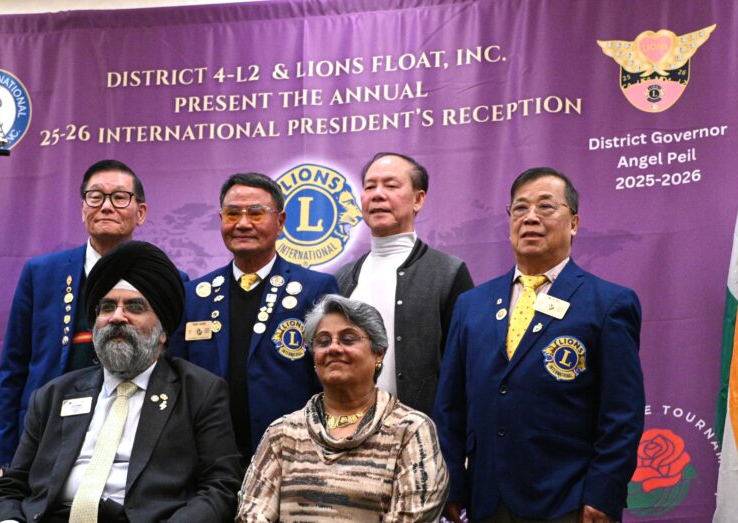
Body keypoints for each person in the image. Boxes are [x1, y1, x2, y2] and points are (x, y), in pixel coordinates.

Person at [434, 167, 645, 523]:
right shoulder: (472, 305)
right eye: (520, 208)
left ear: (574, 223)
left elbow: (622, 413)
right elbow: (450, 406)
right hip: (487, 499)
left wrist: (602, 493)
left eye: (546, 207)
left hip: (568, 499)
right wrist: (452, 482)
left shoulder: (608, 303)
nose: (530, 217)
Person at [0, 241, 242, 523]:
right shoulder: (53, 395)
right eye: (107, 307)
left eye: (135, 307)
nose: (117, 317)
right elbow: (9, 487)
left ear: (163, 330)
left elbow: (221, 487)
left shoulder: (199, 392)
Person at [0, 160, 189, 478]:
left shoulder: (170, 280)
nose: (106, 206)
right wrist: (0, 462)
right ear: (83, 208)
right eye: (95, 196)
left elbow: (174, 367)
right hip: (46, 436)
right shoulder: (41, 274)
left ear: (140, 212)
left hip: (133, 438)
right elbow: (13, 370)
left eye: (119, 197)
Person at [170, 172, 338, 466]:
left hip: (293, 454)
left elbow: (330, 380)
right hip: (208, 458)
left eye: (256, 213)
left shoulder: (315, 289)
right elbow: (176, 379)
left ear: (280, 221)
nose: (243, 223)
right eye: (232, 213)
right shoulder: (193, 295)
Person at [237, 294, 448, 522]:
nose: (334, 348)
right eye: (323, 341)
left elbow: (413, 516)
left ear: (379, 352)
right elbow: (251, 513)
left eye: (348, 339)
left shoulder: (410, 429)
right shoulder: (283, 433)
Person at [336, 152, 473, 416]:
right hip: (346, 429)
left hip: (422, 431)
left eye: (391, 185)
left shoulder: (448, 272)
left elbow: (465, 366)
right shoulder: (342, 278)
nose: (378, 194)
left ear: (418, 199)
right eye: (370, 186)